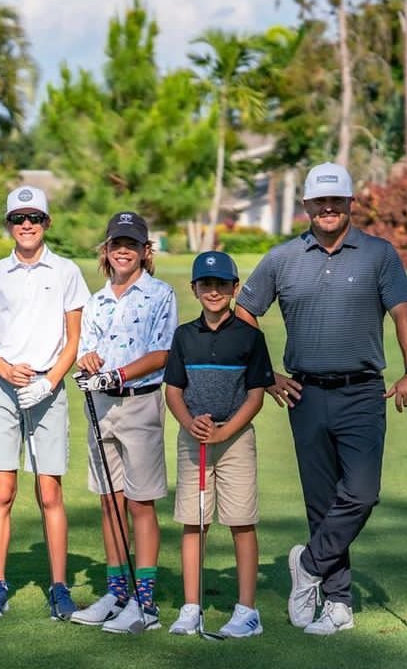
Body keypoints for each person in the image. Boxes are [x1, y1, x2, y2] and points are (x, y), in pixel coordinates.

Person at [235, 162, 407, 636]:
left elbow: (403, 314)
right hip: (305, 394)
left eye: (335, 200)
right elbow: (244, 313)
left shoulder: (379, 255)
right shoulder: (282, 258)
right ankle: (338, 603)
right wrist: (266, 375)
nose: (327, 208)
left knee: (361, 493)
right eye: (319, 202)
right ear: (305, 207)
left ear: (349, 204)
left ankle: (310, 567)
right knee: (322, 503)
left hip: (362, 391)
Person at [0, 185, 89, 620]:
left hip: (49, 389)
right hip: (3, 387)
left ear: (46, 223)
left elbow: (75, 338)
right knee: (2, 488)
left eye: (34, 218)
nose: (26, 225)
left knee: (48, 489)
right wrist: (7, 370)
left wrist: (50, 379)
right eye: (18, 219)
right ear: (8, 225)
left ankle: (59, 586)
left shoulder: (67, 272)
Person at [70, 212, 177, 634]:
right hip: (100, 404)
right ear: (106, 250)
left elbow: (162, 353)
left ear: (145, 251)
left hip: (139, 403)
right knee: (109, 500)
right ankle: (116, 593)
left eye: (132, 244)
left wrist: (118, 373)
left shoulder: (160, 294)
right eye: (117, 244)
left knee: (140, 502)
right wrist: (89, 361)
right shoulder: (95, 301)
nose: (123, 251)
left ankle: (144, 602)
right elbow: (85, 353)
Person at [163, 251, 273, 638]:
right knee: (194, 523)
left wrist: (225, 433)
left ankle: (247, 612)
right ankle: (191, 607)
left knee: (241, 522)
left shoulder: (250, 337)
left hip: (236, 438)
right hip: (194, 437)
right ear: (194, 289)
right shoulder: (184, 336)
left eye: (221, 284)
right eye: (206, 284)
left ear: (234, 288)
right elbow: (174, 391)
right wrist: (190, 423)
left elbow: (256, 396)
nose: (213, 291)